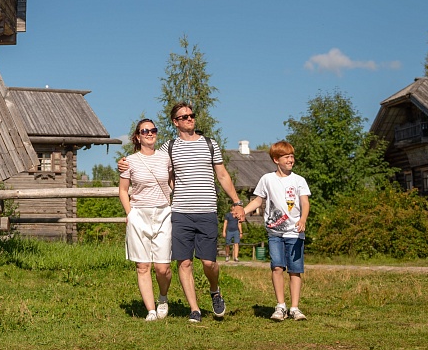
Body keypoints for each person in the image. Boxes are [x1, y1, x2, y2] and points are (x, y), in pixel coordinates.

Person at [121, 102, 246, 323]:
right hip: (180, 212)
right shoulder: (168, 148)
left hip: (207, 210)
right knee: (184, 263)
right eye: (184, 116)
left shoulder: (210, 144)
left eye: (191, 115)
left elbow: (223, 175)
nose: (189, 119)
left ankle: (215, 290)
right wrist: (123, 162)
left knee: (209, 263)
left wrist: (237, 202)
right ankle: (194, 309)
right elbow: (147, 157)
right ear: (175, 122)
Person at [241, 140, 310, 321]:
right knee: (277, 267)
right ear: (276, 160)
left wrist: (303, 219)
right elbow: (258, 201)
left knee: (294, 270)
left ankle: (295, 308)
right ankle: (280, 306)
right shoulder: (267, 179)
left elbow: (305, 202)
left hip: (295, 232)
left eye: (292, 156)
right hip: (275, 233)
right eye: (286, 157)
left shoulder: (299, 180)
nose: (290, 160)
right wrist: (243, 211)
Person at [118, 118, 173, 321]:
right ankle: (151, 311)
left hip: (163, 213)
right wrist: (130, 213)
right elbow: (123, 190)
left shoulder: (165, 158)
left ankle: (163, 297)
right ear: (138, 137)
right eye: (145, 131)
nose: (150, 133)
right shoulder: (129, 161)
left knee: (162, 268)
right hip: (139, 214)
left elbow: (172, 182)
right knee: (143, 266)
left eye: (153, 130)